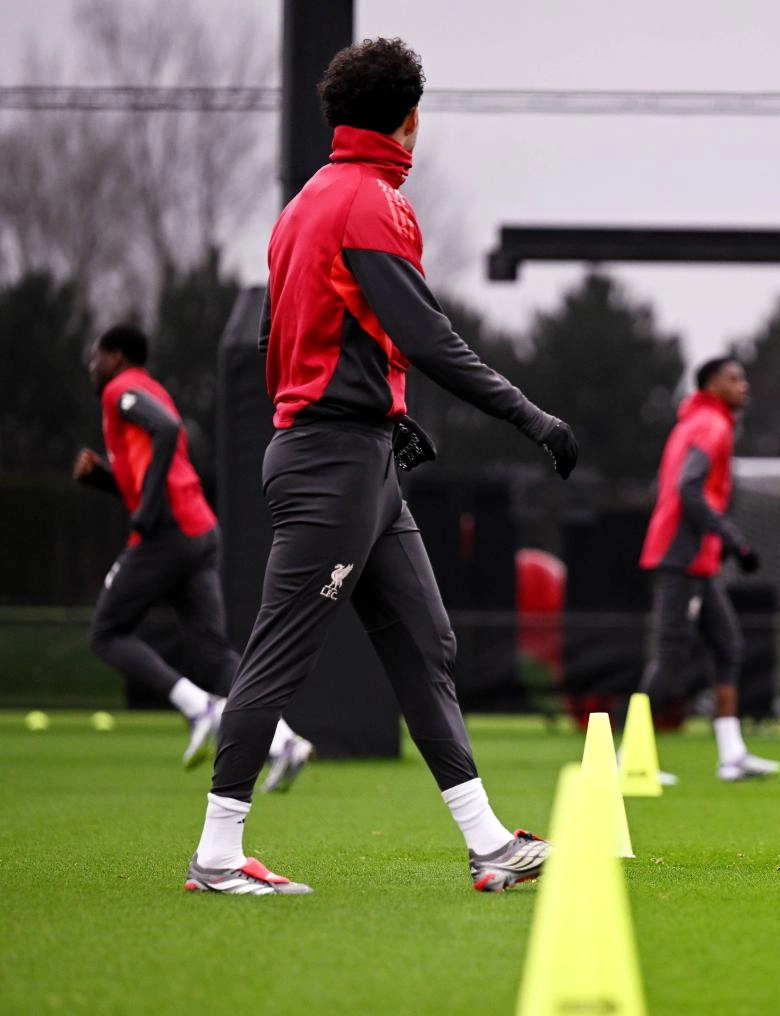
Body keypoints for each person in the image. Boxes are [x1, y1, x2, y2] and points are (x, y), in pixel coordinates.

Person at [184, 37, 579, 896]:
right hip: (335, 464)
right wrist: (531, 417)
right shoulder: (373, 202)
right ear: (410, 119)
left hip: (355, 459)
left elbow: (279, 339)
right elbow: (427, 336)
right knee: (278, 656)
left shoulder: (302, 206)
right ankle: (216, 855)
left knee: (427, 644)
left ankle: (488, 844)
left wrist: (378, 418)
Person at [75, 325, 313, 790]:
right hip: (199, 530)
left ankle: (199, 707)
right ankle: (285, 741)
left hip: (168, 534)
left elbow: (167, 430)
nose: (91, 364)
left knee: (106, 633)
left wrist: (147, 512)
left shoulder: (121, 390)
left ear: (117, 357)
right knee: (214, 654)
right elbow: (155, 466)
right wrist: (105, 480)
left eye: (97, 355)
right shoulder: (152, 388)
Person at [637, 357, 780, 782]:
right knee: (669, 657)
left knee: (727, 645)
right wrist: (733, 540)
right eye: (734, 378)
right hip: (681, 559)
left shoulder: (695, 423)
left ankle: (732, 755)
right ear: (710, 386)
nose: (744, 385)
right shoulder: (712, 425)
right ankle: (630, 758)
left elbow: (666, 487)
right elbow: (688, 488)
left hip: (695, 561)